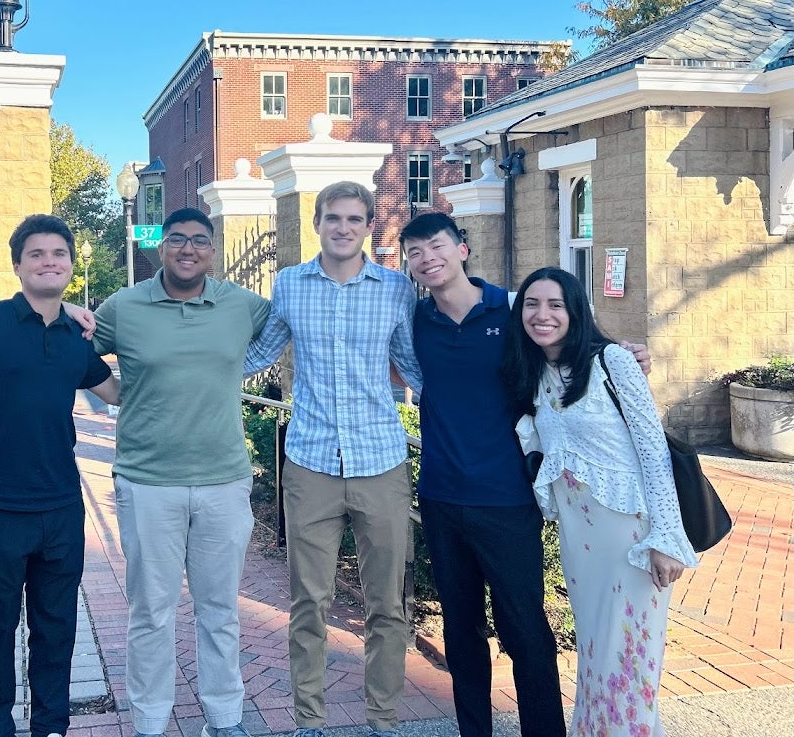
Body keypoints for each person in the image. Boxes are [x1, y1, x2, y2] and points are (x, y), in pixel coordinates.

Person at [399, 212, 649, 737]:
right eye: (415, 251)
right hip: (442, 496)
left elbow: (568, 346)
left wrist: (624, 354)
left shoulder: (513, 310)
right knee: (461, 631)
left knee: (525, 631)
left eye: (437, 245)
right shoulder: (415, 319)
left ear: (462, 248)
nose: (428, 258)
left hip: (508, 499)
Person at [244, 181, 423, 737]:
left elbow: (415, 367)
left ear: (368, 225)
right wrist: (178, 358)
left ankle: (383, 721)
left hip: (381, 461)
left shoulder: (396, 290)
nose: (343, 227)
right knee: (308, 603)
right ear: (317, 222)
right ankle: (310, 721)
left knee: (387, 604)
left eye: (354, 219)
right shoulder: (289, 285)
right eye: (333, 218)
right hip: (310, 462)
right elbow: (257, 353)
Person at [93, 207, 271, 737]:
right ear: (161, 247)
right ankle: (149, 723)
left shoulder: (242, 305)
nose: (187, 249)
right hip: (147, 482)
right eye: (176, 239)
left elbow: (290, 327)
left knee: (220, 610)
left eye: (198, 240)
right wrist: (114, 393)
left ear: (212, 251)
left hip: (224, 481)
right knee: (151, 612)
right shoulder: (124, 307)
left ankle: (225, 719)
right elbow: (73, 351)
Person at [501, 267, 698, 737]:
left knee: (629, 659)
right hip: (579, 540)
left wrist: (666, 537)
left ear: (576, 311)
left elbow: (653, 451)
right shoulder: (535, 373)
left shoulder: (613, 361)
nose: (542, 315)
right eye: (531, 304)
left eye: (556, 305)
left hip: (628, 534)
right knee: (595, 656)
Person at [0, 214, 120, 737]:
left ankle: (51, 725)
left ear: (71, 265)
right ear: (17, 265)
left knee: (56, 627)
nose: (49, 262)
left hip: (60, 506)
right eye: (37, 254)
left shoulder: (77, 336)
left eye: (59, 254)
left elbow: (116, 392)